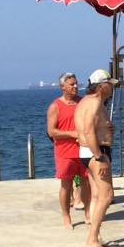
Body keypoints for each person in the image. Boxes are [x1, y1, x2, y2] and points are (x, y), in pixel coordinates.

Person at [75, 68, 118, 247]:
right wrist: (100, 156)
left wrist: (107, 128)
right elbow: (88, 131)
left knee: (96, 196)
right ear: (100, 86)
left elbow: (93, 127)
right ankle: (91, 241)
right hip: (96, 153)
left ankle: (96, 237)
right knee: (106, 195)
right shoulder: (93, 103)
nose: (112, 87)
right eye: (109, 84)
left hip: (88, 152)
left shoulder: (86, 101)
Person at [46, 72, 91, 229]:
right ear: (62, 87)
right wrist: (72, 134)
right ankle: (66, 217)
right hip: (65, 152)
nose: (76, 86)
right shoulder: (55, 106)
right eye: (72, 84)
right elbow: (51, 131)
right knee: (66, 184)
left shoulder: (83, 102)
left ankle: (88, 213)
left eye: (76, 83)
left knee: (86, 182)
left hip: (84, 149)